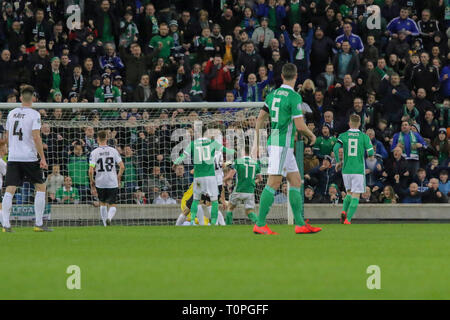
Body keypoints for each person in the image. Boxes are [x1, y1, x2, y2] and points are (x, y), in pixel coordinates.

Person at [254, 63, 321, 235]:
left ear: (282, 76)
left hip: (279, 141)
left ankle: (299, 224)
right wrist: (311, 135)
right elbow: (299, 125)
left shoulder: (272, 94)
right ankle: (260, 224)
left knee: (296, 181)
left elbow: (260, 118)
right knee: (274, 183)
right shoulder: (294, 97)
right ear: (296, 76)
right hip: (281, 144)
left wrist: (257, 139)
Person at [1, 86, 50, 232]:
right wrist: (42, 157)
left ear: (21, 98)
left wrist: (11, 151)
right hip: (29, 157)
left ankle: (6, 225)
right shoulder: (34, 114)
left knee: (10, 189)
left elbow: (7, 137)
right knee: (40, 187)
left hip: (14, 156)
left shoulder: (11, 113)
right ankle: (39, 224)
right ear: (33, 98)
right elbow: (36, 136)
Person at [173, 131, 235, 226]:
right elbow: (227, 151)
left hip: (198, 178)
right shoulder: (213, 144)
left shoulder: (193, 144)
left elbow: (183, 155)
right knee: (214, 201)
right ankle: (214, 223)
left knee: (195, 200)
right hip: (210, 178)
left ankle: (193, 221)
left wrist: (176, 162)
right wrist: (234, 152)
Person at [333, 114, 375, 225]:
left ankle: (343, 211)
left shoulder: (343, 135)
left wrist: (338, 161)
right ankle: (348, 220)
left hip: (346, 169)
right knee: (356, 195)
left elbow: (335, 148)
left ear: (349, 123)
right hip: (358, 170)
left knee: (349, 193)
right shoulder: (364, 136)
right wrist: (368, 153)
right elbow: (371, 153)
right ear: (360, 124)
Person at [89, 130, 125, 226]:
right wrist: (118, 176)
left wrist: (92, 180)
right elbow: (122, 166)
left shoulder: (94, 152)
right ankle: (109, 218)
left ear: (97, 139)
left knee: (102, 203)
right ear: (107, 138)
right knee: (112, 204)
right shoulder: (113, 151)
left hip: (100, 182)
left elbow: (90, 170)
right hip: (112, 181)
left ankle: (105, 225)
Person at [223, 144, 261, 225]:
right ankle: (259, 223)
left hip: (239, 189)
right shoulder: (256, 163)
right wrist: (253, 182)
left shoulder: (238, 161)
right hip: (250, 191)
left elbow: (230, 176)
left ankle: (228, 227)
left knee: (230, 207)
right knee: (249, 211)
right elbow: (260, 179)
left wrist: (222, 180)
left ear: (243, 152)